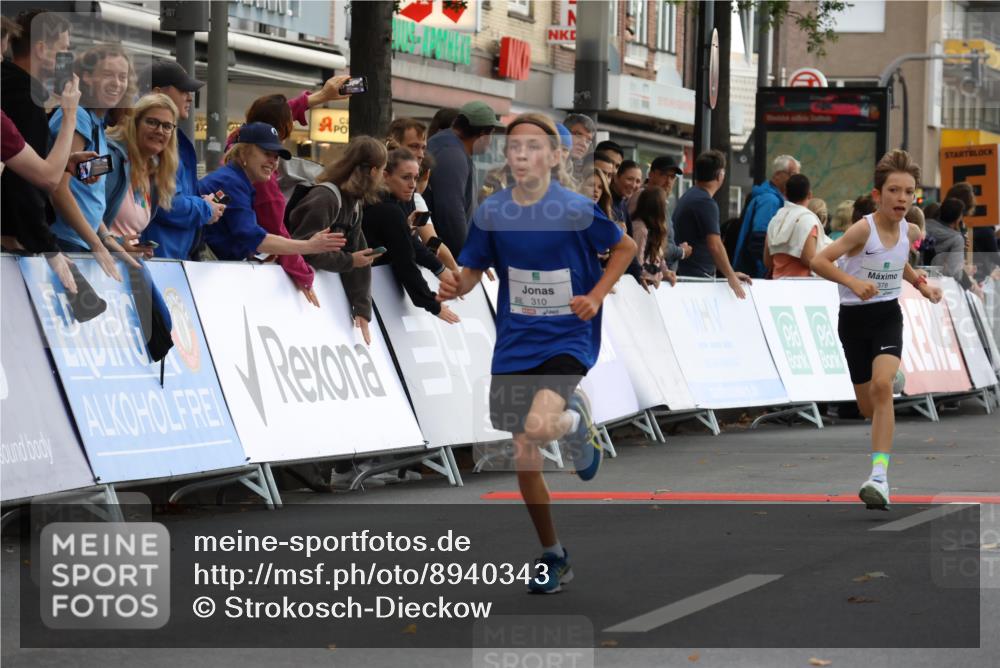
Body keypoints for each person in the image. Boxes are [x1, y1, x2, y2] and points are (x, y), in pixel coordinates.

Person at [437, 112, 636, 594]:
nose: (521, 155)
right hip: (515, 340)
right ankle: (553, 553)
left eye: (532, 147)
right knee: (525, 454)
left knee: (538, 426)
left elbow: (626, 247)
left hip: (567, 335)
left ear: (553, 156)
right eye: (514, 147)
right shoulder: (493, 212)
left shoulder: (575, 209)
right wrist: (452, 285)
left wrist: (597, 294)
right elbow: (471, 272)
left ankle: (573, 419)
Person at [810, 150, 943, 511]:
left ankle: (880, 478)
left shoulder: (911, 231)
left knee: (882, 387)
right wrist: (852, 283)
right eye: (894, 191)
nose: (902, 198)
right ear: (878, 194)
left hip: (887, 314)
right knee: (868, 407)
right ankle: (890, 379)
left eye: (908, 192)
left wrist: (922, 285)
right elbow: (819, 260)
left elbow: (898, 263)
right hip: (853, 319)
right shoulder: (862, 229)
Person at [225, 80, 353, 305]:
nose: (273, 162)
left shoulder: (238, 139)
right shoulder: (264, 185)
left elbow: (270, 118)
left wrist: (321, 96)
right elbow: (275, 234)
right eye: (270, 154)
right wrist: (305, 273)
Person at [42, 43, 138, 281]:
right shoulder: (80, 118)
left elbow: (86, 196)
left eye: (122, 76)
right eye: (107, 75)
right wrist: (96, 243)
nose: (116, 83)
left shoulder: (96, 123)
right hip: (66, 242)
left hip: (81, 242)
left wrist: (105, 238)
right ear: (86, 77)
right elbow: (59, 189)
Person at [288, 136, 388, 346]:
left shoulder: (354, 203)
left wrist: (361, 308)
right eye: (382, 170)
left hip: (305, 292)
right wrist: (350, 261)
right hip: (291, 290)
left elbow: (359, 253)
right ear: (372, 171)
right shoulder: (327, 198)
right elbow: (302, 248)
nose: (383, 176)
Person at [197, 122, 345, 260]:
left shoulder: (235, 179)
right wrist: (309, 246)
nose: (273, 161)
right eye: (266, 153)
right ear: (243, 153)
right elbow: (254, 238)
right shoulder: (232, 182)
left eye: (276, 157)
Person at [139, 60, 224, 260]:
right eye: (184, 90)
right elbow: (167, 205)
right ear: (158, 93)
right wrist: (206, 208)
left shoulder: (176, 141)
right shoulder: (154, 142)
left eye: (167, 127)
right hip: (156, 257)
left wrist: (200, 203)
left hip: (169, 257)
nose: (190, 97)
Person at [364, 147, 460, 322]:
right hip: (366, 285)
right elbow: (405, 260)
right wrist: (433, 304)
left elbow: (409, 242)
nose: (412, 184)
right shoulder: (387, 209)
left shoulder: (402, 200)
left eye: (415, 178)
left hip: (376, 284)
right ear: (385, 176)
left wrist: (440, 269)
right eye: (405, 177)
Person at [104, 94, 180, 256]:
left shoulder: (154, 171)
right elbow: (81, 202)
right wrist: (113, 242)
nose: (159, 131)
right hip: (91, 260)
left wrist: (137, 248)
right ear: (135, 123)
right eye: (152, 122)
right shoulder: (109, 158)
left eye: (167, 126)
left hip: (122, 265)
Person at [425, 101, 504, 255]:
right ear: (483, 135)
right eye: (491, 134)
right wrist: (468, 257)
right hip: (445, 260)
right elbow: (451, 215)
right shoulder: (452, 155)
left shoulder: (446, 145)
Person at [674, 150, 752, 297]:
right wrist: (730, 276)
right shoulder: (705, 202)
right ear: (720, 175)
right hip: (697, 279)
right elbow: (714, 244)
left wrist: (730, 273)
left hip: (690, 274)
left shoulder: (691, 195)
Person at [733, 154, 800, 277]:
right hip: (757, 275)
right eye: (793, 174)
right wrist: (770, 270)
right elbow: (758, 240)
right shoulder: (770, 200)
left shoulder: (766, 196)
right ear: (778, 174)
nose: (795, 180)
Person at [629, 155, 690, 270]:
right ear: (651, 174)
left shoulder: (660, 201)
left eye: (672, 177)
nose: (668, 181)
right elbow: (653, 244)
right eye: (663, 175)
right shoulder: (643, 198)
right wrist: (681, 251)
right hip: (645, 277)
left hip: (659, 276)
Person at [764, 174, 830, 278]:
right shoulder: (808, 220)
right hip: (801, 286)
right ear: (809, 195)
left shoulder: (775, 219)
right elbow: (808, 259)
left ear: (785, 193)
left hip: (776, 285)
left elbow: (768, 261)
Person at [926, 198, 979, 295]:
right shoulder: (957, 239)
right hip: (942, 290)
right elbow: (954, 272)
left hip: (919, 281)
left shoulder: (924, 225)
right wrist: (963, 270)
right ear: (958, 218)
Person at [630, 186, 678, 289]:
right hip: (638, 286)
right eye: (664, 204)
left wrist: (665, 272)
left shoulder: (655, 229)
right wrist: (651, 276)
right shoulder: (640, 228)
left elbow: (658, 255)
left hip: (649, 286)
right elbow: (637, 261)